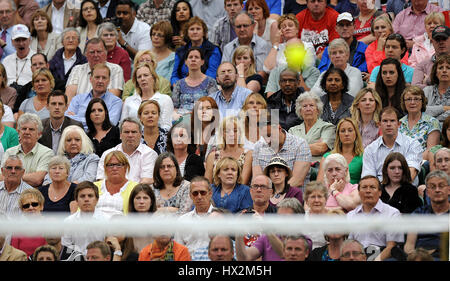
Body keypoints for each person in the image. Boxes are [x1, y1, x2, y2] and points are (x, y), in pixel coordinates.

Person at [347, 175, 404, 261]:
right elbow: (349, 245)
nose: (368, 191)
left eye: (372, 187)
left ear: (380, 192)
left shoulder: (392, 214)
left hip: (383, 256)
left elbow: (391, 246)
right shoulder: (351, 215)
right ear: (358, 192)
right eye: (364, 187)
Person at [362, 107, 423, 186]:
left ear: (399, 124)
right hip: (380, 191)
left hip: (406, 190)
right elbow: (368, 178)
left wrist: (395, 190)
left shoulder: (412, 144)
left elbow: (411, 173)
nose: (388, 124)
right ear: (379, 124)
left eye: (392, 121)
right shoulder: (370, 149)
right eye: (385, 121)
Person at [253, 113, 312, 190]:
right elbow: (258, 179)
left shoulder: (300, 145)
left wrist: (276, 196)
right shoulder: (258, 146)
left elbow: (297, 181)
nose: (267, 140)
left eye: (269, 135)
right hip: (268, 197)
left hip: (294, 197)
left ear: (279, 128)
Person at [96, 117, 157, 185]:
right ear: (120, 135)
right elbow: (101, 182)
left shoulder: (149, 154)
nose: (130, 135)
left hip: (139, 193)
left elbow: (146, 181)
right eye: (126, 132)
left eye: (134, 132)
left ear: (140, 135)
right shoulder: (107, 154)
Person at [403, 170, 449, 260]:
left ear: (449, 190)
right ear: (427, 192)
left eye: (441, 186)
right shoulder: (418, 214)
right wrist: (415, 255)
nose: (437, 190)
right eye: (432, 187)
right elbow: (409, 245)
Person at [1, 113, 53, 187]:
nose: (27, 132)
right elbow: (1, 177)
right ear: (18, 132)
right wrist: (26, 177)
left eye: (31, 129)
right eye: (24, 129)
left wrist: (11, 176)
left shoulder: (47, 153)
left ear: (39, 134)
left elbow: (37, 179)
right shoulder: (10, 152)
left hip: (32, 196)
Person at [66, 62, 123, 129]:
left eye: (104, 78)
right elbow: (67, 119)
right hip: (77, 135)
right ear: (90, 79)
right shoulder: (78, 99)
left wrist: (76, 118)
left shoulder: (116, 102)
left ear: (109, 81)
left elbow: (109, 124)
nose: (100, 81)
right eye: (97, 77)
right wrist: (97, 120)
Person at [170, 16, 221, 86]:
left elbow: (211, 75)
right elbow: (174, 76)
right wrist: (179, 87)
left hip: (205, 88)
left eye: (198, 29)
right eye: (192, 29)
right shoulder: (180, 51)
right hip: (182, 88)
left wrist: (195, 87)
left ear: (204, 32)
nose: (195, 32)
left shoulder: (213, 50)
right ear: (187, 33)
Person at [121, 62, 173, 130]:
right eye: (139, 77)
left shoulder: (165, 99)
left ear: (153, 78)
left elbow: (166, 126)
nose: (142, 79)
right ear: (137, 82)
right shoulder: (129, 101)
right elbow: (122, 125)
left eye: (146, 75)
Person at [174, 176, 214, 260]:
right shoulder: (182, 220)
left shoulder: (220, 218)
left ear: (210, 193)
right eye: (195, 193)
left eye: (203, 192)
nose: (199, 197)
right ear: (190, 196)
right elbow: (178, 251)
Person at [289, 91, 336, 163]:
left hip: (318, 168)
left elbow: (321, 148)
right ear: (300, 111)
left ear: (317, 110)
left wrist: (296, 148)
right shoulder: (292, 130)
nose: (308, 109)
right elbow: (289, 150)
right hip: (296, 167)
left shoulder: (328, 127)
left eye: (311, 105)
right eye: (304, 106)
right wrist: (313, 146)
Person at [205, 116, 252, 185]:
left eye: (235, 131)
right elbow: (207, 184)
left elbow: (243, 183)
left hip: (239, 194)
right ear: (222, 133)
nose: (231, 134)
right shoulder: (212, 156)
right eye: (227, 131)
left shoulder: (248, 154)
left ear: (240, 133)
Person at [172, 47, 219, 117]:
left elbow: (213, 106)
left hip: (203, 118)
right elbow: (175, 107)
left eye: (196, 57)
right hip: (182, 119)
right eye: (190, 57)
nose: (193, 59)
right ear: (186, 62)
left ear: (202, 62)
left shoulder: (210, 82)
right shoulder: (179, 84)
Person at [317, 118, 364, 185]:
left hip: (354, 193)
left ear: (356, 133)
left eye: (350, 130)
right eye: (342, 131)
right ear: (338, 135)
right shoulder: (327, 157)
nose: (346, 134)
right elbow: (319, 183)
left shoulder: (363, 157)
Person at [94, 151, 138, 218]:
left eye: (119, 165)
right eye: (111, 165)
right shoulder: (93, 187)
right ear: (105, 168)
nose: (114, 168)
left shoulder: (135, 188)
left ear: (126, 167)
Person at [399, 85, 441, 153]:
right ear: (404, 102)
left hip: (423, 162)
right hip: (400, 161)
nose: (412, 102)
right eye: (409, 99)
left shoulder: (432, 122)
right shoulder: (399, 123)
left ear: (423, 102)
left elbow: (430, 152)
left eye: (416, 99)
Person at [10, 188, 47, 257]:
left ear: (41, 206)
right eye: (26, 206)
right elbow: (14, 253)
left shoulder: (50, 225)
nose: (30, 207)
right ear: (22, 210)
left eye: (34, 204)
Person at [412, 25, 450, 89]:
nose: (441, 42)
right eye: (437, 39)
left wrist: (428, 81)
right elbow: (415, 88)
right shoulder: (422, 65)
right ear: (432, 42)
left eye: (444, 39)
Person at [127, 183, 157, 251]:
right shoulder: (126, 222)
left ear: (151, 202)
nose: (141, 202)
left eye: (145, 198)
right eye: (138, 198)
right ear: (132, 201)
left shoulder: (158, 221)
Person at [3, 24, 35, 88]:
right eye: (17, 40)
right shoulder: (6, 61)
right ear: (12, 42)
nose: (21, 43)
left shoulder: (37, 59)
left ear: (29, 40)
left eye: (24, 39)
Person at [190, 96, 219, 161]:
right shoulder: (189, 132)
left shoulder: (219, 133)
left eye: (208, 108)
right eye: (201, 108)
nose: (204, 111)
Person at [424, 54, 450, 123]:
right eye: (440, 68)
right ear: (435, 72)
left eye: (448, 68)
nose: (444, 71)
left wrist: (432, 118)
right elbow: (421, 110)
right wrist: (444, 108)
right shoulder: (427, 90)